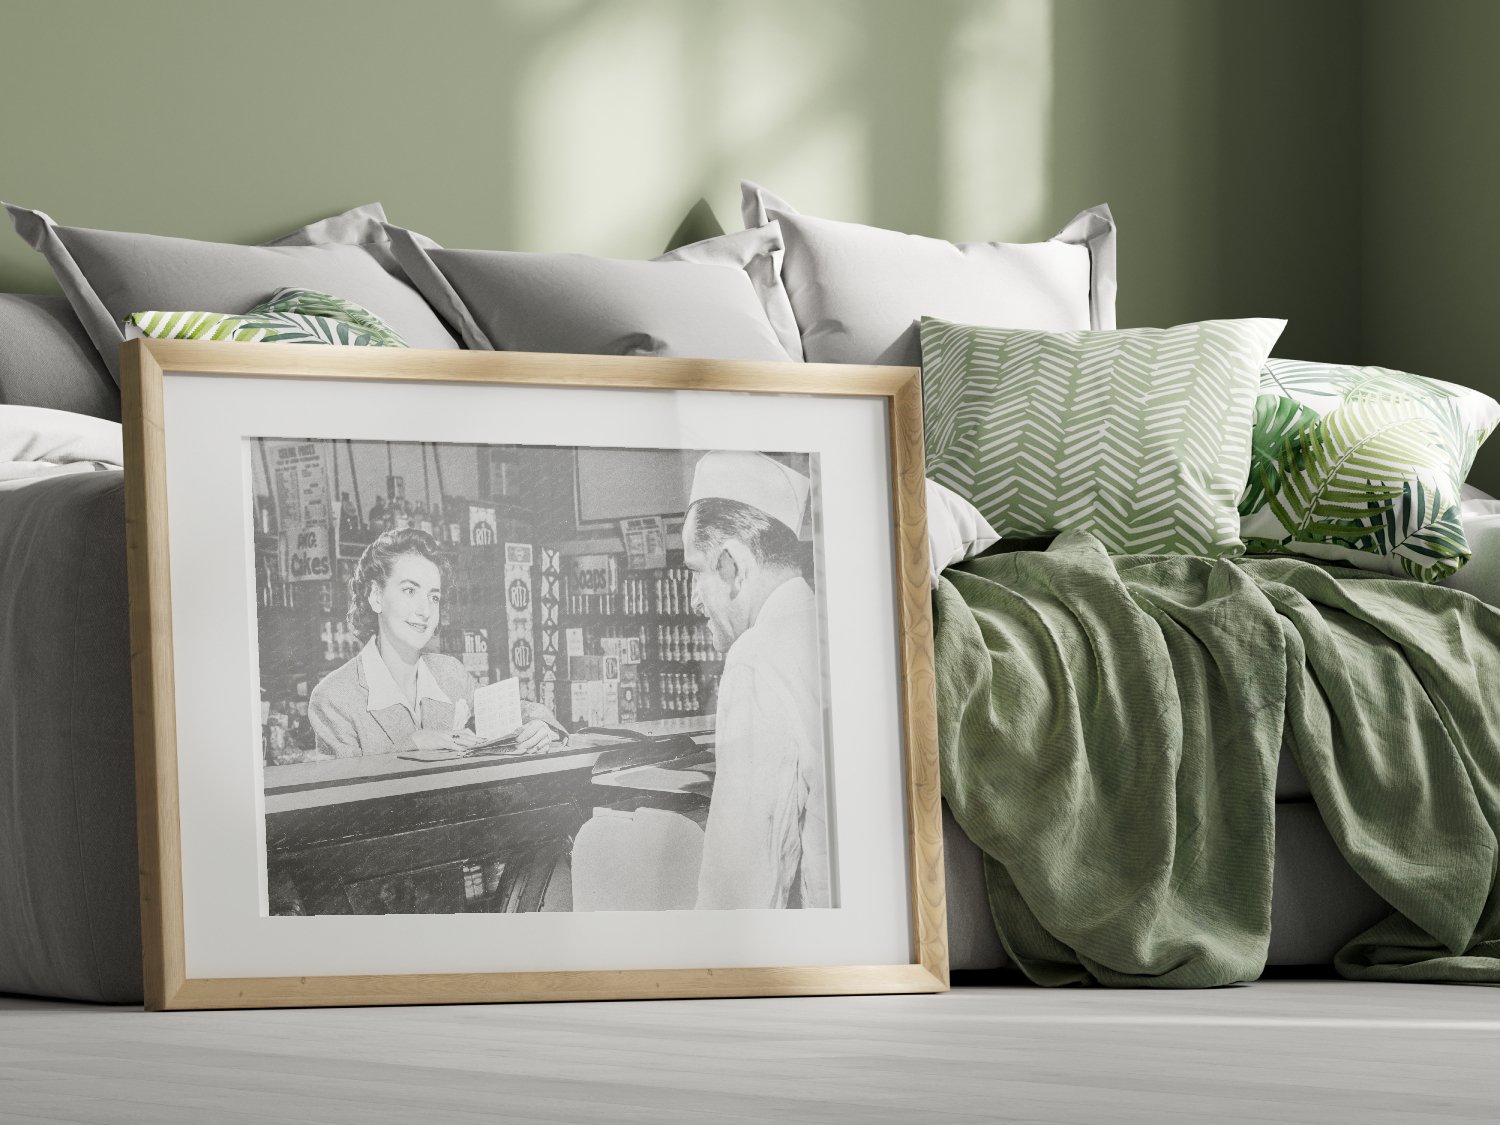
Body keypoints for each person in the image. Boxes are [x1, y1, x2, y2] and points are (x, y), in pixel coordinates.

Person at [684, 451, 831, 909]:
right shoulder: (821, 626)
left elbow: (738, 886)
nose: (693, 601)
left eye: (696, 572)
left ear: (732, 565)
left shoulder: (757, 655)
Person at [307, 527, 563, 758]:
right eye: (410, 591)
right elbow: (344, 799)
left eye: (434, 597)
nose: (425, 610)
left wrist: (541, 728)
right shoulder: (333, 698)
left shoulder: (449, 673)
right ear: (376, 596)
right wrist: (414, 742)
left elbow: (518, 710)